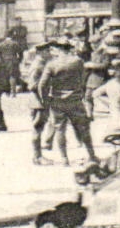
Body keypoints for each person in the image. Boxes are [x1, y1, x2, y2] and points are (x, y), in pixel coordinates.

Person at [38, 37, 99, 165]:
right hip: (75, 100)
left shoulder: (51, 64)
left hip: (58, 101)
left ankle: (64, 159)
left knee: (60, 129)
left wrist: (45, 100)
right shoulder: (77, 61)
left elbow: (42, 85)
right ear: (69, 48)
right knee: (84, 128)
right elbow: (83, 78)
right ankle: (92, 155)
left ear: (58, 49)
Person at [21, 39, 54, 165]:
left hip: (41, 101)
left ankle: (38, 156)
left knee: (39, 128)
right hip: (38, 101)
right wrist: (47, 87)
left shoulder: (43, 64)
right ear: (40, 52)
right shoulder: (38, 66)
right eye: (47, 51)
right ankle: (37, 157)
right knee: (37, 128)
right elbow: (32, 85)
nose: (49, 53)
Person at [0, 22, 26, 96]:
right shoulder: (15, 43)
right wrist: (19, 60)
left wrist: (1, 61)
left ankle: (6, 92)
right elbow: (20, 53)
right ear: (11, 35)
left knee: (5, 76)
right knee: (13, 76)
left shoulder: (1, 44)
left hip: (4, 61)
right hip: (13, 60)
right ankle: (13, 92)